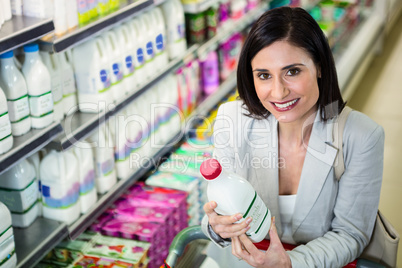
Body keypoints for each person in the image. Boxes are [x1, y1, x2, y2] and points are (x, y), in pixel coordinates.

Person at [201, 6, 384, 268]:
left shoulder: (362, 136)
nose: (278, 92)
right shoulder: (232, 119)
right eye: (264, 75)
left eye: (293, 71)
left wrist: (290, 263)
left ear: (319, 67)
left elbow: (350, 233)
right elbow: (216, 209)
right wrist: (217, 226)